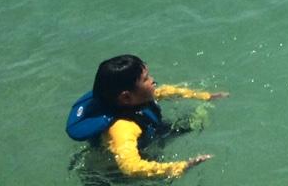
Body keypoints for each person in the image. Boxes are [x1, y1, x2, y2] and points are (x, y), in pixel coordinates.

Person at [66, 54, 228, 178]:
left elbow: (163, 92)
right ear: (126, 97)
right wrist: (181, 166)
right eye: (146, 79)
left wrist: (204, 96)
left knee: (194, 123)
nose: (153, 81)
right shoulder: (123, 128)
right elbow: (130, 167)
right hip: (115, 176)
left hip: (145, 138)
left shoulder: (132, 98)